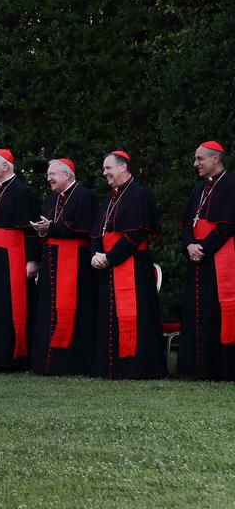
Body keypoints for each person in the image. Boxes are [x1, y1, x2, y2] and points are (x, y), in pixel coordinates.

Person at [90, 151, 166, 379]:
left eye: (108, 168)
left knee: (135, 316)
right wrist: (95, 253)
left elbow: (135, 235)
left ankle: (134, 367)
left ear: (123, 168)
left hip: (132, 265)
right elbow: (97, 232)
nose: (104, 173)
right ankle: (111, 366)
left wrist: (109, 257)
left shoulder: (140, 194)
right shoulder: (110, 196)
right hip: (109, 263)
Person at [29, 159, 97, 375]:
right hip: (52, 262)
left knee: (73, 310)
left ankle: (71, 363)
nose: (48, 178)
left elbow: (85, 227)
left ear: (67, 175)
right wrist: (42, 230)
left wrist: (51, 227)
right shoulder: (53, 197)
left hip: (75, 263)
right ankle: (48, 362)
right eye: (48, 174)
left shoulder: (84, 195)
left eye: (53, 174)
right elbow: (49, 227)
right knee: (50, 310)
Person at [0, 149, 39, 370]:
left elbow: (30, 230)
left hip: (10, 259)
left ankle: (10, 359)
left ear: (5, 166)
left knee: (7, 306)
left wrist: (32, 260)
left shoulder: (21, 192)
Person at [177, 140, 234, 380]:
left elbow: (228, 224)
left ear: (215, 159)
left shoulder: (231, 184)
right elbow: (186, 223)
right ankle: (197, 368)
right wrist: (189, 245)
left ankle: (220, 369)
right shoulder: (200, 188)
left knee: (219, 311)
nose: (195, 164)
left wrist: (202, 248)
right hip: (198, 258)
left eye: (200, 159)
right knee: (197, 312)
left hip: (219, 257)